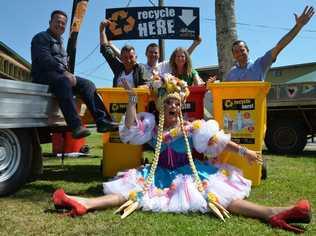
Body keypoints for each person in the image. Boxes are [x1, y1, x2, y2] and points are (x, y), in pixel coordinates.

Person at [52, 74, 311, 234]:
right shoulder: (151, 126)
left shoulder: (192, 127)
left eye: (177, 103)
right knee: (131, 192)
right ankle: (85, 203)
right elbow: (130, 129)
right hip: (158, 174)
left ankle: (272, 212)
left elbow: (217, 140)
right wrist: (132, 100)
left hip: (189, 174)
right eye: (169, 103)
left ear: (181, 106)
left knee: (217, 196)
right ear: (161, 106)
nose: (174, 106)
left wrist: (245, 151)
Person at [31, 10, 118, 139]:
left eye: (63, 23)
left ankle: (103, 121)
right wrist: (65, 72)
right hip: (43, 76)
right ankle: (76, 126)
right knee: (64, 81)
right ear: (50, 22)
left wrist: (68, 74)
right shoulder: (40, 38)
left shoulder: (60, 41)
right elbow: (45, 59)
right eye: (57, 22)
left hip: (60, 76)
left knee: (88, 84)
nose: (60, 25)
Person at [225, 6, 314, 82]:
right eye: (236, 52)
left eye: (242, 50)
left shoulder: (260, 64)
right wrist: (210, 86)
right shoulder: (231, 74)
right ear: (233, 55)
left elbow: (279, 46)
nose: (240, 53)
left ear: (248, 51)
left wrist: (298, 26)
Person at [99, 20, 146, 88]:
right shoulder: (118, 68)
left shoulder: (140, 69)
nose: (128, 60)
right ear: (121, 58)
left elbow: (147, 84)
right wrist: (102, 30)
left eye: (131, 57)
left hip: (135, 98)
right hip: (117, 98)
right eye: (125, 57)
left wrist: (141, 88)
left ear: (136, 57)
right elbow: (105, 50)